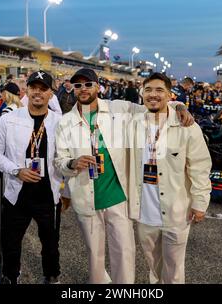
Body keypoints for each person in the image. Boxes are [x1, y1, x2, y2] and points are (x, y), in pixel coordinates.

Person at [54, 68, 192, 284]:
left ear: (97, 86)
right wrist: (71, 163)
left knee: (124, 254)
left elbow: (153, 105)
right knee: (94, 256)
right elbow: (58, 160)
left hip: (118, 197)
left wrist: (179, 105)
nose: (83, 89)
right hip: (86, 198)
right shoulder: (65, 122)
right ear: (73, 88)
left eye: (88, 84)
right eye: (78, 85)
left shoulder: (118, 108)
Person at [127, 73, 212, 284]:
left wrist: (200, 202)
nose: (153, 95)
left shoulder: (187, 126)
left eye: (159, 90)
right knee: (153, 265)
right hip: (145, 212)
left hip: (176, 212)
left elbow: (200, 166)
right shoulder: (133, 123)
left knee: (174, 268)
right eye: (148, 90)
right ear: (141, 94)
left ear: (169, 95)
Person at [0, 71, 66, 284]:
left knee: (50, 243)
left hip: (47, 194)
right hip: (17, 192)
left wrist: (66, 190)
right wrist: (15, 170)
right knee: (10, 242)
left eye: (43, 89)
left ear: (51, 93)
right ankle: (11, 276)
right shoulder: (9, 119)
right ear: (27, 90)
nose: (38, 93)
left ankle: (51, 276)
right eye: (34, 88)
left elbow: (65, 157)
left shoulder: (61, 122)